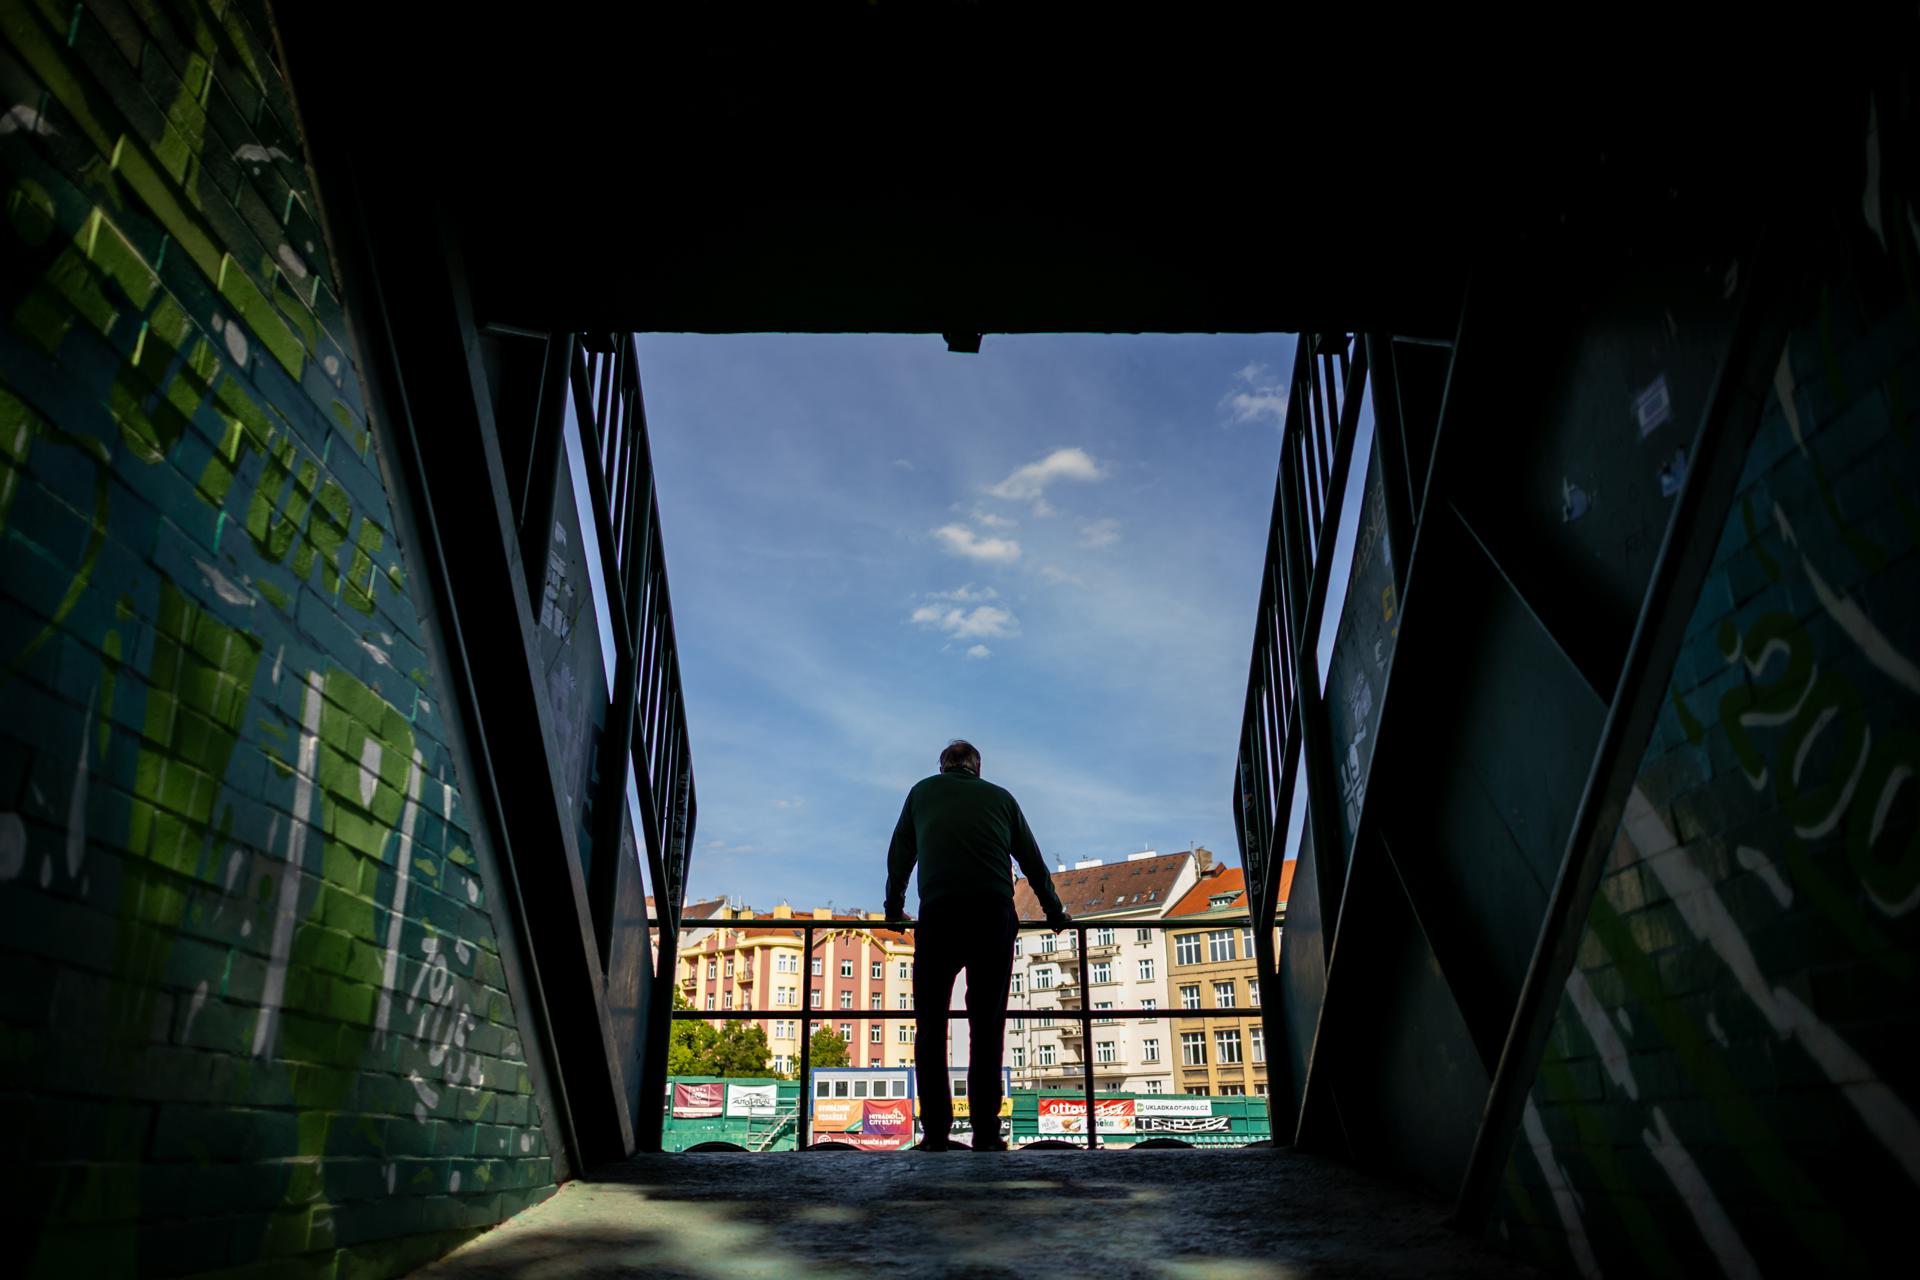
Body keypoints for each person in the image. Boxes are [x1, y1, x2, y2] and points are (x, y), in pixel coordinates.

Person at [884, 739, 1071, 1151]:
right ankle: (986, 1132)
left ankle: (935, 1134)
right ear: (977, 769)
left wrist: (893, 908)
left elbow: (900, 855)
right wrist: (1055, 913)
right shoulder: (1002, 799)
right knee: (987, 1024)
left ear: (942, 767)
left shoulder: (921, 792)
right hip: (992, 914)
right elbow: (1033, 863)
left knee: (930, 1025)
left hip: (940, 913)